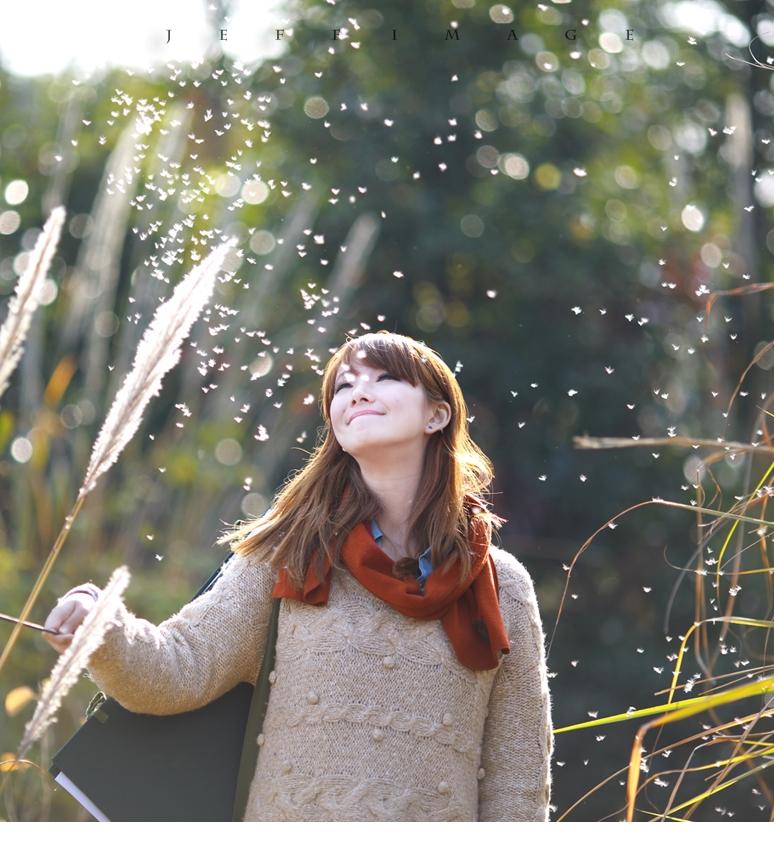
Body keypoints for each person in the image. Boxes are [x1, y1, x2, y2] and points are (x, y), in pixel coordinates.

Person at [44, 330, 555, 821]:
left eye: (383, 378)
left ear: (437, 414)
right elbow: (181, 668)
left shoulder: (500, 586)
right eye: (344, 386)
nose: (359, 392)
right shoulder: (289, 554)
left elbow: (517, 781)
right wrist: (103, 625)